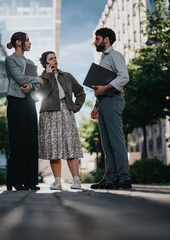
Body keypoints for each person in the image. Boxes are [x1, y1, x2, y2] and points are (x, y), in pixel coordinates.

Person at [90, 27, 132, 190]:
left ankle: (123, 178)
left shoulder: (115, 56)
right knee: (106, 143)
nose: (95, 42)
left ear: (106, 39)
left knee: (116, 141)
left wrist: (105, 89)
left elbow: (124, 77)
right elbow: (101, 84)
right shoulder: (103, 59)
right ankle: (110, 177)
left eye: (97, 39)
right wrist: (96, 105)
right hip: (104, 102)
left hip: (113, 100)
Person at [38, 51, 86, 190]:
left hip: (66, 113)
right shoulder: (41, 77)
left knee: (70, 146)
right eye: (51, 59)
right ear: (45, 63)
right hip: (49, 115)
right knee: (54, 149)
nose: (54, 60)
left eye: (55, 58)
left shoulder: (67, 76)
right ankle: (57, 182)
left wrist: (75, 107)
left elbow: (80, 92)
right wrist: (48, 75)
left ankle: (76, 181)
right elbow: (43, 93)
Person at [5, 32, 42, 191]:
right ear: (18, 42)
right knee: (17, 140)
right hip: (15, 101)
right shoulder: (10, 59)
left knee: (31, 141)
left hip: (29, 102)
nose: (30, 43)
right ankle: (15, 180)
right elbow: (20, 78)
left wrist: (33, 86)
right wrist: (38, 79)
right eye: (27, 40)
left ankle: (31, 181)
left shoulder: (30, 62)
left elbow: (38, 86)